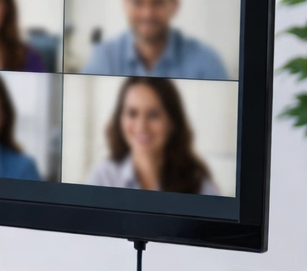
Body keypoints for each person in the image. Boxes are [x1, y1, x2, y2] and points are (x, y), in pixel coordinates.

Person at [82, 0, 230, 79]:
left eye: (158, 2)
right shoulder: (103, 58)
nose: (147, 13)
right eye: (138, 1)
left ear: (175, 6)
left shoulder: (206, 62)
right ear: (125, 4)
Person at [86, 77, 221, 194]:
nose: (141, 127)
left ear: (173, 123)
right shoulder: (103, 178)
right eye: (132, 113)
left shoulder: (200, 185)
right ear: (120, 119)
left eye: (153, 115)